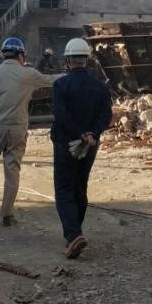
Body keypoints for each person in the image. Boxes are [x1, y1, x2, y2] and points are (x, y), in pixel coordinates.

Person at [0, 36, 59, 226]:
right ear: (21, 55)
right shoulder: (28, 73)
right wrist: (77, 72)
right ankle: (7, 215)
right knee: (12, 169)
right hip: (17, 128)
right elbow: (51, 80)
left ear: (4, 55)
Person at [50, 38, 112, 259]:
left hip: (66, 144)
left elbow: (61, 115)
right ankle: (75, 233)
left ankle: (74, 234)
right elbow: (106, 116)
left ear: (67, 61)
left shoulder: (60, 85)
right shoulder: (100, 87)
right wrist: (91, 133)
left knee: (64, 189)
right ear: (87, 60)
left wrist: (79, 133)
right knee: (79, 187)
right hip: (90, 145)